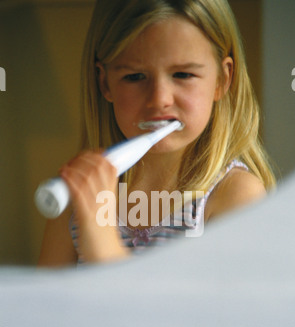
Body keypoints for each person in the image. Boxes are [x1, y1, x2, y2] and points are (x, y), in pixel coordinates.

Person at [38, 0, 276, 267]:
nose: (159, 99)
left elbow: (208, 309)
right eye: (135, 76)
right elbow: (43, 307)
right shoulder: (78, 197)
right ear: (104, 82)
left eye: (183, 74)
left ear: (222, 79)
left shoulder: (236, 195)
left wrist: (102, 243)